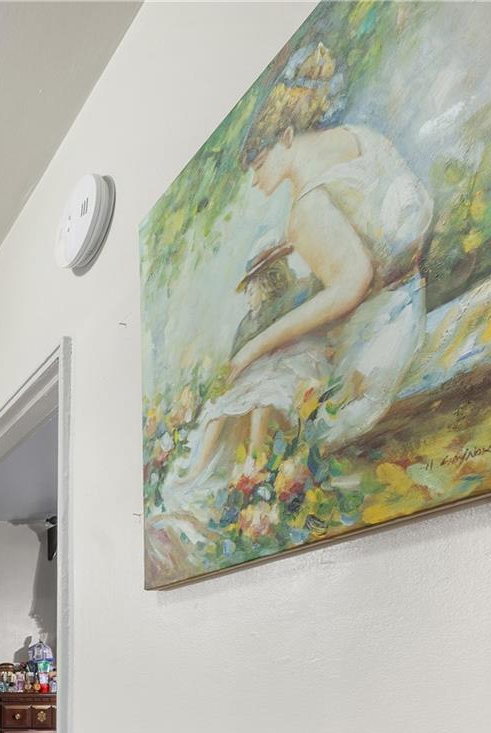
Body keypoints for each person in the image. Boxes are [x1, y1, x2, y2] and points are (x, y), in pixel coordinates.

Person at [168, 42, 434, 508]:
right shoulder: (358, 137)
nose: (255, 178)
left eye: (259, 163)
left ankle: (231, 487)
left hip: (381, 335)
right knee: (275, 372)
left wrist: (255, 345)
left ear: (287, 137)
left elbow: (350, 287)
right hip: (410, 297)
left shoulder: (305, 211)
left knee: (279, 386)